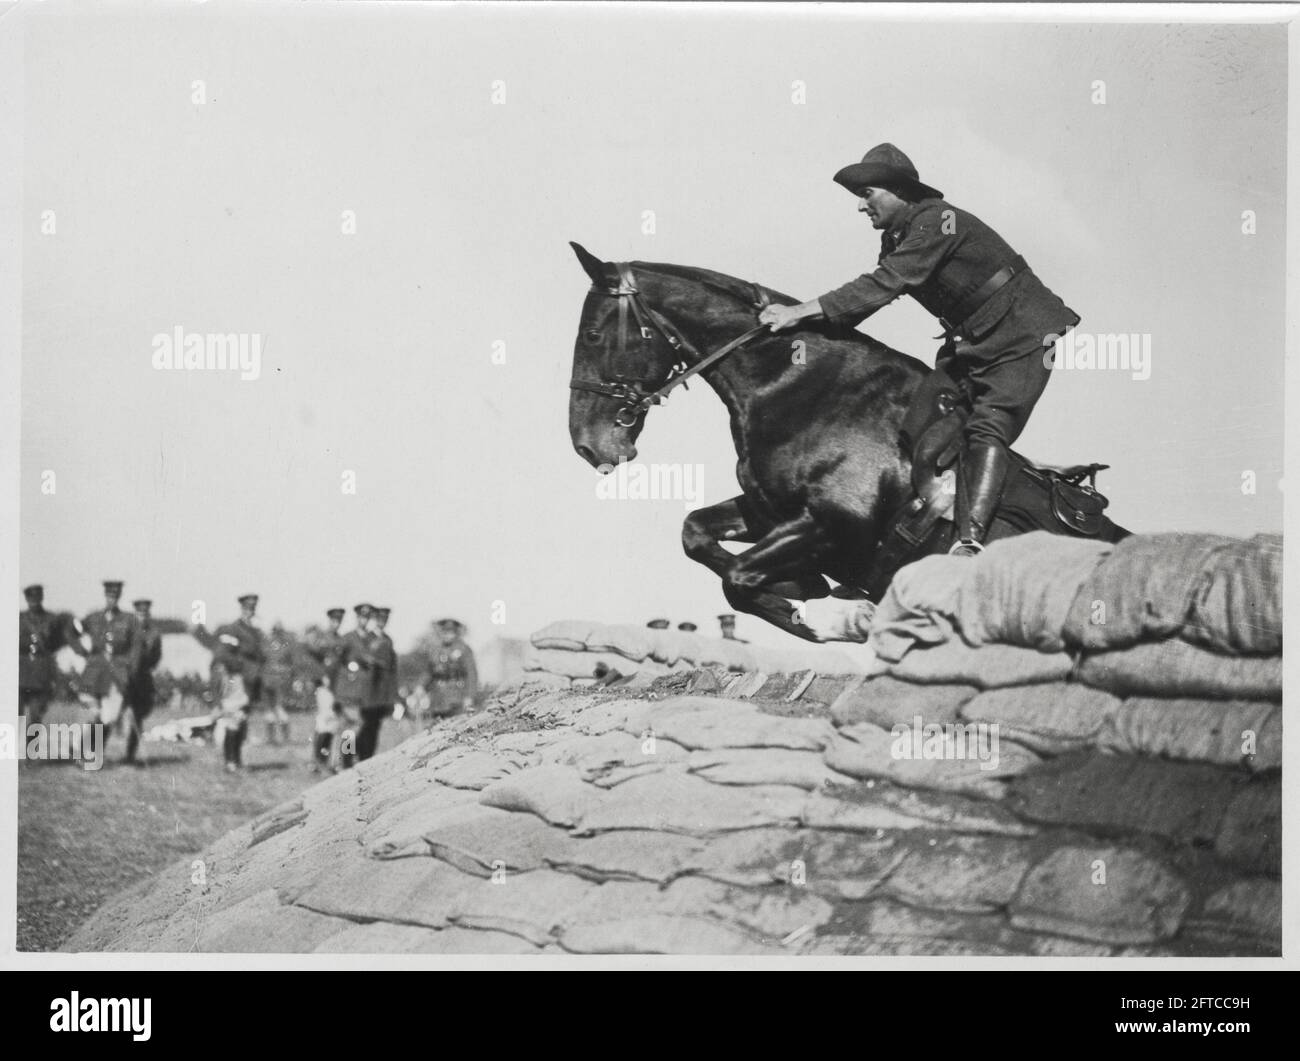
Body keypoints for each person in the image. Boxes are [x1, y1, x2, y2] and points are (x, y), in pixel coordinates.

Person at [758, 143, 1080, 556]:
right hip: (973, 341)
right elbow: (867, 300)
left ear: (898, 190)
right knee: (916, 424)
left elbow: (884, 284)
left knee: (987, 429)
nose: (861, 207)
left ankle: (970, 544)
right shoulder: (898, 237)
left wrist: (798, 311)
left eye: (867, 194)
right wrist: (793, 328)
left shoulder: (938, 220)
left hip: (1024, 333)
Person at [193, 594, 267, 773]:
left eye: (252, 609)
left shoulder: (255, 632)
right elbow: (223, 654)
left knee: (241, 721)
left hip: (250, 681)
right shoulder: (232, 629)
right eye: (247, 609)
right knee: (233, 721)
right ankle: (230, 761)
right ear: (242, 609)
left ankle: (237, 759)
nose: (250, 612)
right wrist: (241, 667)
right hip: (236, 678)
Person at [73, 580, 136, 732]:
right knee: (91, 711)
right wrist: (81, 649)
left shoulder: (129, 619)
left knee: (110, 717)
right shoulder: (93, 617)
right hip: (94, 671)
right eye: (109, 596)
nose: (111, 600)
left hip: (117, 673)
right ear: (105, 596)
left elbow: (136, 648)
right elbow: (72, 631)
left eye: (115, 596)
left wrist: (129, 667)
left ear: (119, 597)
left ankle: (87, 746)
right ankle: (82, 748)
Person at [18, 584, 77, 728]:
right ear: (26, 599)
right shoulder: (19, 618)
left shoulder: (52, 619)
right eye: (31, 598)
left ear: (42, 598)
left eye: (37, 598)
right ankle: (6, 750)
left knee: (36, 717)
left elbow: (60, 641)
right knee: (13, 716)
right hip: (19, 672)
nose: (34, 601)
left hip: (42, 674)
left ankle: (31, 750)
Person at [334, 603, 378, 769]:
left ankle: (344, 759)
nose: (363, 620)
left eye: (367, 618)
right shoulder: (348, 637)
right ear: (357, 618)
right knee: (353, 724)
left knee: (351, 726)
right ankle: (345, 759)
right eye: (361, 617)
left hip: (363, 690)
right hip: (348, 688)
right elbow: (337, 659)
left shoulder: (371, 638)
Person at [305, 607, 347, 772]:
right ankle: (317, 761)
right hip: (325, 686)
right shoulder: (321, 639)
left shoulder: (341, 640)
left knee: (333, 724)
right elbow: (310, 659)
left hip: (338, 687)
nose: (336, 624)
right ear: (330, 620)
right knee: (325, 721)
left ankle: (325, 759)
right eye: (334, 620)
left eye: (339, 621)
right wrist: (321, 675)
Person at [123, 598, 163, 765]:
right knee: (108, 715)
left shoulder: (154, 633)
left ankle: (130, 756)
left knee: (138, 717)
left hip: (142, 679)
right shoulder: (126, 629)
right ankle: (88, 749)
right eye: (139, 613)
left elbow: (156, 657)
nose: (142, 617)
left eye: (145, 613)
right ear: (135, 614)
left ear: (149, 614)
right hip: (123, 676)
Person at [358, 606, 396, 762]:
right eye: (379, 619)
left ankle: (367, 758)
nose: (382, 622)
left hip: (380, 691)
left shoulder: (387, 640)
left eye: (385, 620)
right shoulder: (366, 638)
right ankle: (346, 757)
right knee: (355, 726)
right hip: (365, 689)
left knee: (374, 726)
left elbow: (392, 667)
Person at [421, 618, 478, 718]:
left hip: (457, 697)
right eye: (445, 632)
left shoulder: (464, 649)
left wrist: (469, 696)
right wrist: (420, 686)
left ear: (456, 633)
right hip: (438, 698)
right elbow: (429, 673)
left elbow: (471, 674)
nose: (448, 635)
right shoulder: (435, 650)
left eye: (451, 632)